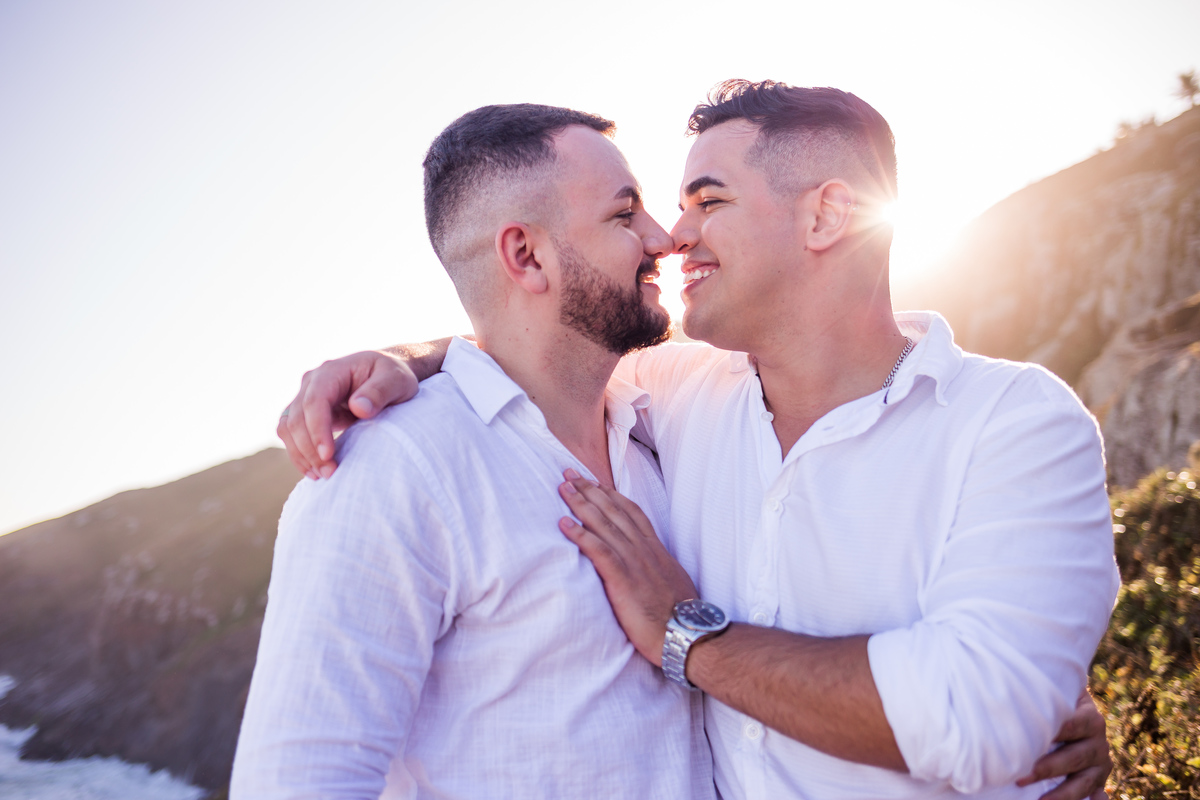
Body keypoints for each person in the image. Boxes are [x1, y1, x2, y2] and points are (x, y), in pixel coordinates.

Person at [278, 82, 1119, 799]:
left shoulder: (1014, 422)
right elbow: (531, 339)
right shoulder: (674, 397)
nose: (672, 237)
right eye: (654, 209)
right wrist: (401, 360)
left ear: (830, 213)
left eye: (707, 202)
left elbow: (980, 716)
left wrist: (689, 635)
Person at [231, 104, 715, 799]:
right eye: (624, 213)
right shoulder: (394, 469)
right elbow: (302, 782)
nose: (663, 236)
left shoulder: (664, 425)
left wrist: (409, 354)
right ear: (525, 255)